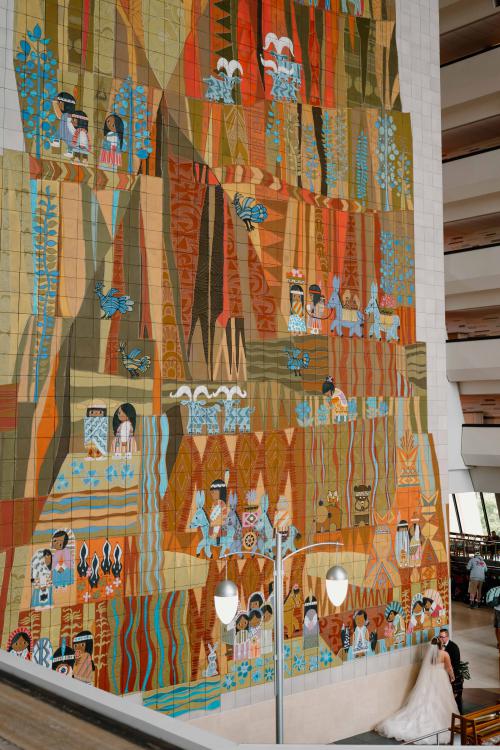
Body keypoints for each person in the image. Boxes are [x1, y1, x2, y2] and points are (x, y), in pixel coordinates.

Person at [376, 637, 458, 743]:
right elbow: (449, 668)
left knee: (427, 698)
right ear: (441, 644)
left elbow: (427, 667)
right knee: (441, 699)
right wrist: (452, 676)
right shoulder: (445, 654)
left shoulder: (429, 655)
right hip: (440, 678)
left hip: (429, 679)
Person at [439, 628, 463, 714]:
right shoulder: (438, 647)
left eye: (442, 637)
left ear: (447, 637)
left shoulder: (454, 647)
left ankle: (459, 714)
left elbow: (456, 665)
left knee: (455, 699)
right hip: (442, 676)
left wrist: (451, 677)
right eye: (440, 637)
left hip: (452, 676)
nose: (441, 639)